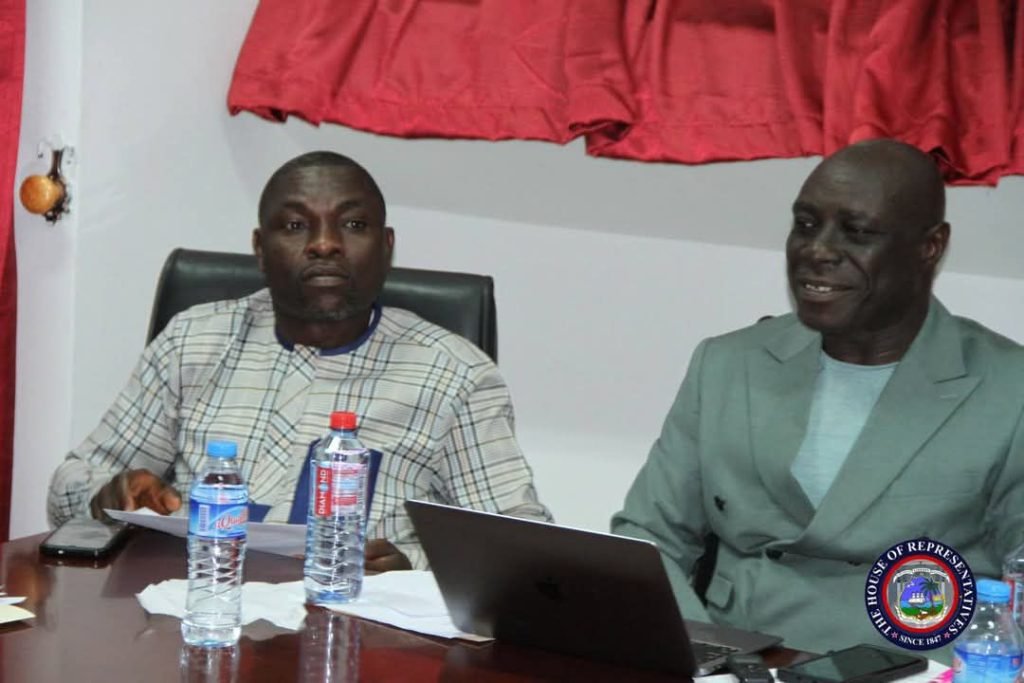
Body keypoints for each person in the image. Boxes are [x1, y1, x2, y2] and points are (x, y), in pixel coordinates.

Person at [612, 139, 1024, 655]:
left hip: (913, 664)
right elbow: (648, 537)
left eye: (858, 233)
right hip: (745, 657)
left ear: (930, 247)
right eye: (806, 225)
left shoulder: (1007, 389)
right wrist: (699, 653)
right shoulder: (728, 364)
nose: (818, 251)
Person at [48, 151, 552, 571]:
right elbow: (69, 486)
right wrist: (107, 494)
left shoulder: (455, 375)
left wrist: (414, 566)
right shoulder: (193, 342)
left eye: (353, 224)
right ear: (260, 249)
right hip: (195, 611)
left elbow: (521, 548)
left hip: (358, 633)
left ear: (387, 247)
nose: (325, 244)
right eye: (294, 225)